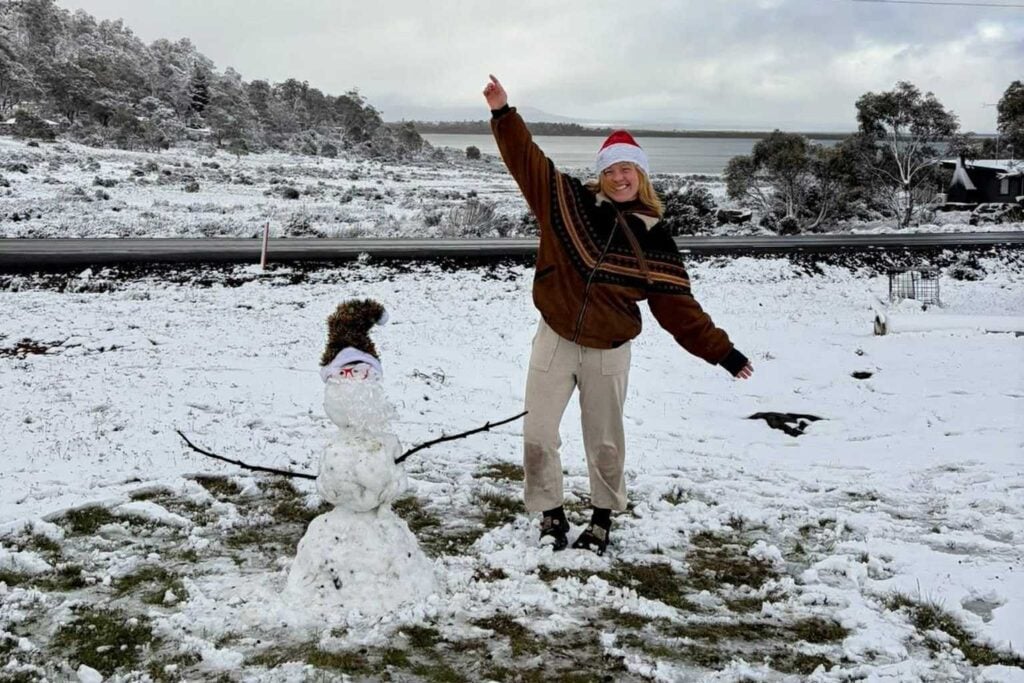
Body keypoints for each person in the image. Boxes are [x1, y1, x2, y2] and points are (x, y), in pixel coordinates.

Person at [482, 75, 754, 556]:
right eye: (612, 169)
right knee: (538, 434)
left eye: (630, 169)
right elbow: (527, 162)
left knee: (605, 444)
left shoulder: (655, 240)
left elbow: (679, 309)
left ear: (641, 176)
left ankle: (603, 518)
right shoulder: (567, 203)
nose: (621, 177)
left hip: (609, 353)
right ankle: (550, 514)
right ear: (601, 175)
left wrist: (723, 352)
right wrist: (504, 114)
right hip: (555, 339)